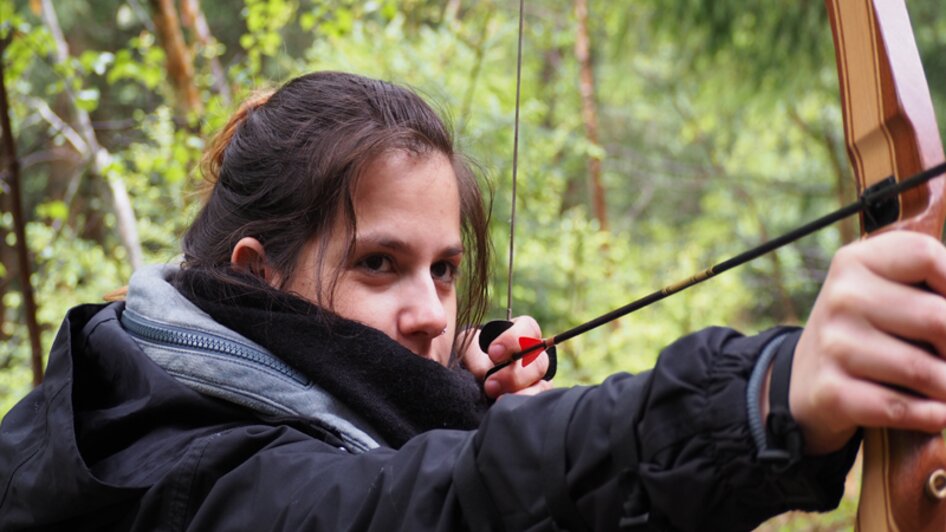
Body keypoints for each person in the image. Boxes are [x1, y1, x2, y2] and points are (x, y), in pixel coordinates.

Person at [2, 71, 946, 531]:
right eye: (379, 264)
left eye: (444, 271)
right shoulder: (170, 472)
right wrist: (766, 396)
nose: (429, 312)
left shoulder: (148, 365)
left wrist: (451, 395)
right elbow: (436, 508)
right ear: (256, 275)